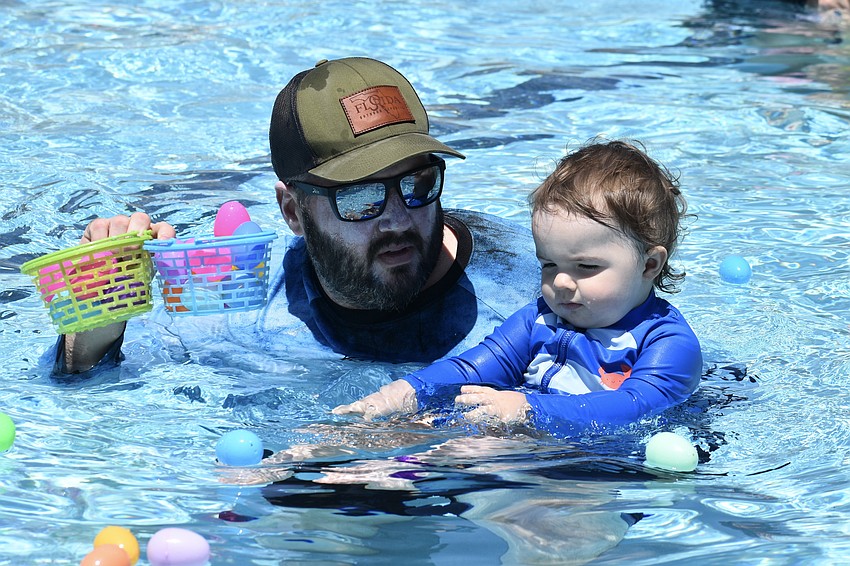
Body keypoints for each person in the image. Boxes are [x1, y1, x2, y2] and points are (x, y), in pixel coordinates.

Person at [56, 57, 540, 373]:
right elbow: (84, 390)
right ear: (292, 210)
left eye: (417, 184)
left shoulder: (537, 295)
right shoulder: (244, 310)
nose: (396, 218)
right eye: (359, 198)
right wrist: (99, 317)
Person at [333, 140, 703, 436]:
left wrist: (528, 409)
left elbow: (635, 407)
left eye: (586, 267)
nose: (559, 282)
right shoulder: (540, 319)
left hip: (598, 465)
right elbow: (474, 369)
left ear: (649, 264)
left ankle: (403, 473)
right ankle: (324, 459)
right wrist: (407, 391)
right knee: (406, 426)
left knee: (470, 450)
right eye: (549, 264)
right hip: (525, 431)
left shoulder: (668, 344)